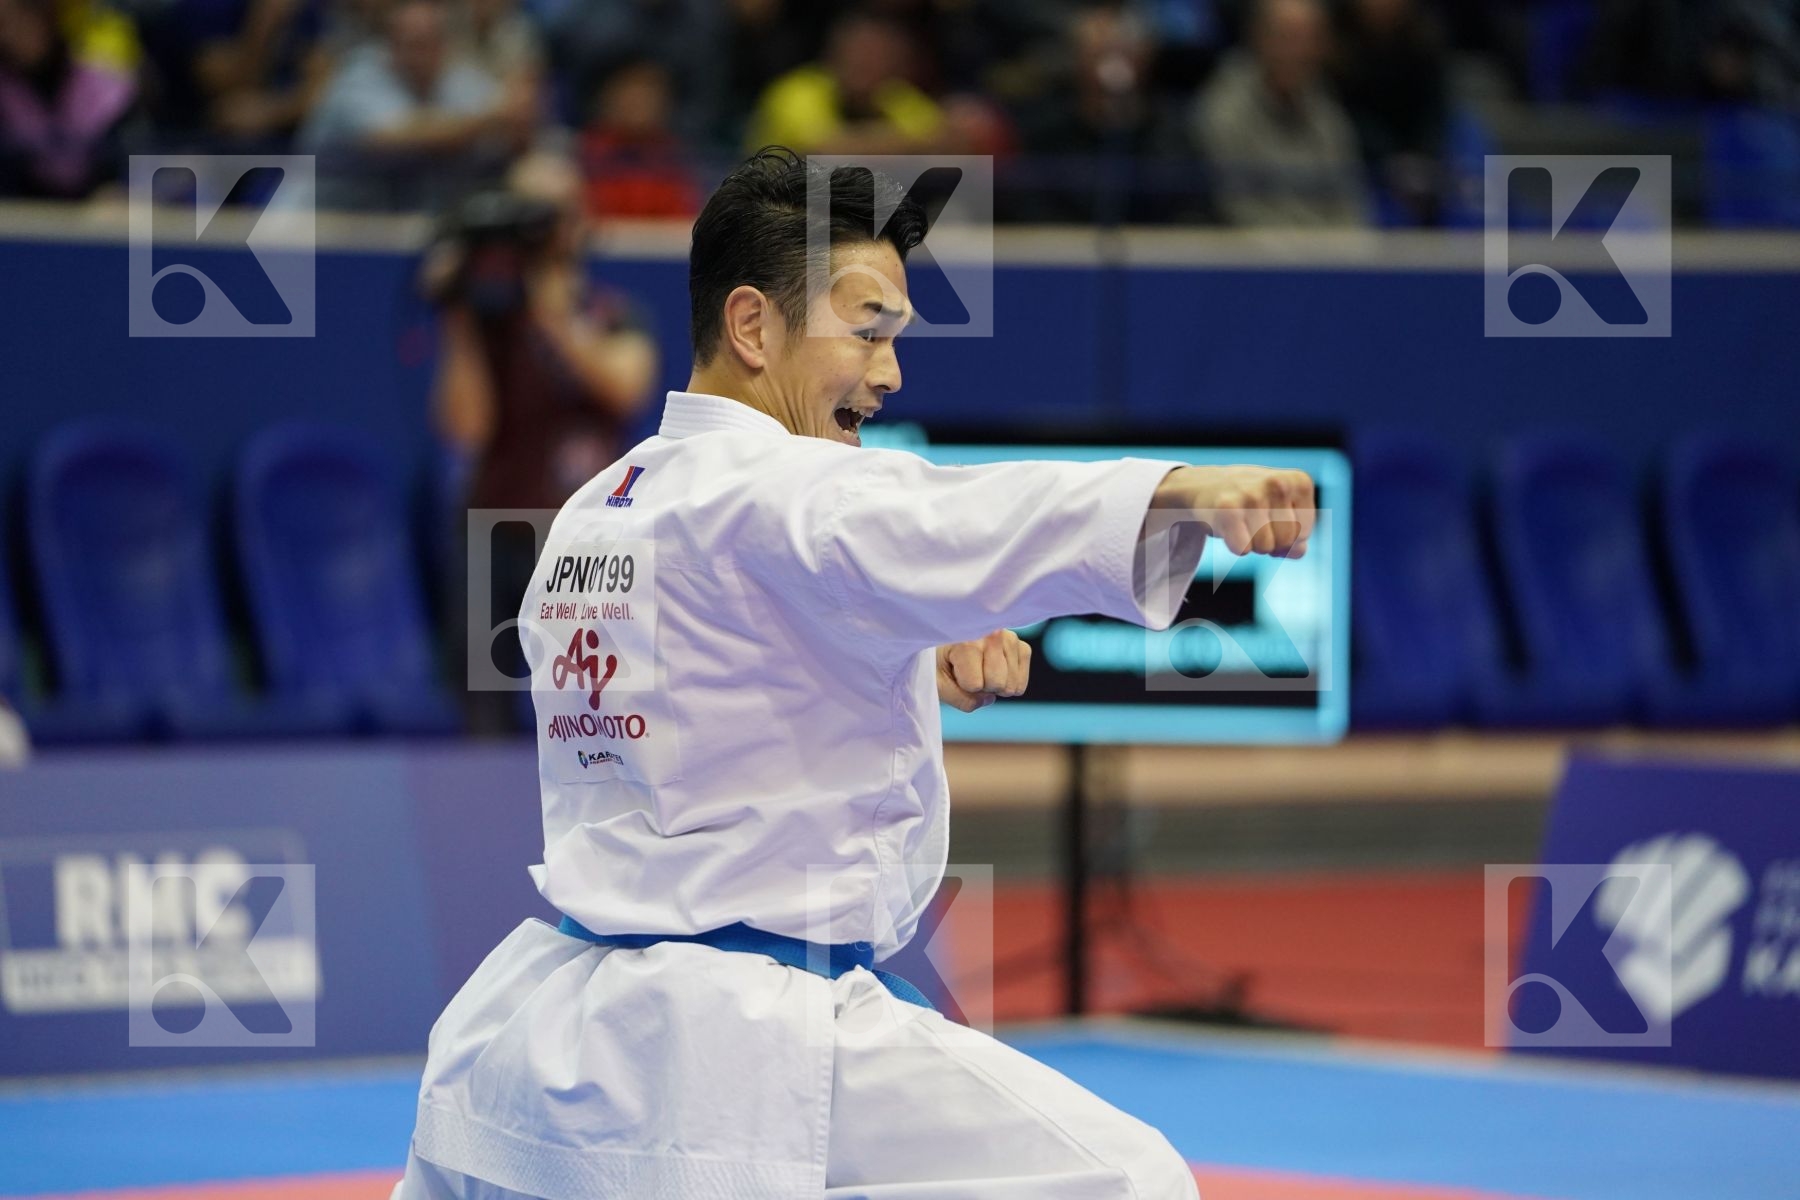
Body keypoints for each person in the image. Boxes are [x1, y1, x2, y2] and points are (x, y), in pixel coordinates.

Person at [390, 147, 1312, 1199]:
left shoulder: (597, 511)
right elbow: (947, 516)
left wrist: (908, 650)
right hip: (749, 1041)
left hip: (552, 1040)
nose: (890, 371)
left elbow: (723, 689)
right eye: (866, 332)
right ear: (752, 327)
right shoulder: (791, 493)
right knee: (1137, 1183)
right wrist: (1178, 490)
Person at [427, 150, 658, 732]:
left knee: (596, 721)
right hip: (495, 535)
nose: (538, 225)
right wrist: (460, 319)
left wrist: (550, 315)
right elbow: (465, 429)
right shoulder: (486, 322)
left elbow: (625, 389)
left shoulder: (613, 312)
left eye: (550, 210)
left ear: (580, 221)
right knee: (483, 719)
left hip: (588, 546)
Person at [299, 0, 529, 212]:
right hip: (314, 223)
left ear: (444, 45)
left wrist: (513, 114)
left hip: (397, 225)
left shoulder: (457, 78)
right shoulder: (358, 75)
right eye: (411, 43)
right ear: (390, 45)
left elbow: (510, 121)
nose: (419, 55)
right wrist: (488, 119)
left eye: (429, 43)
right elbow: (397, 136)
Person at [1192, 0, 1370, 227]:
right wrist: (1309, 250)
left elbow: (1352, 207)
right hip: (1253, 257)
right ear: (1259, 38)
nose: (1299, 51)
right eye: (1287, 37)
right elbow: (1239, 211)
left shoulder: (1328, 115)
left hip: (1327, 256)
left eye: (1310, 39)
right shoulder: (1223, 111)